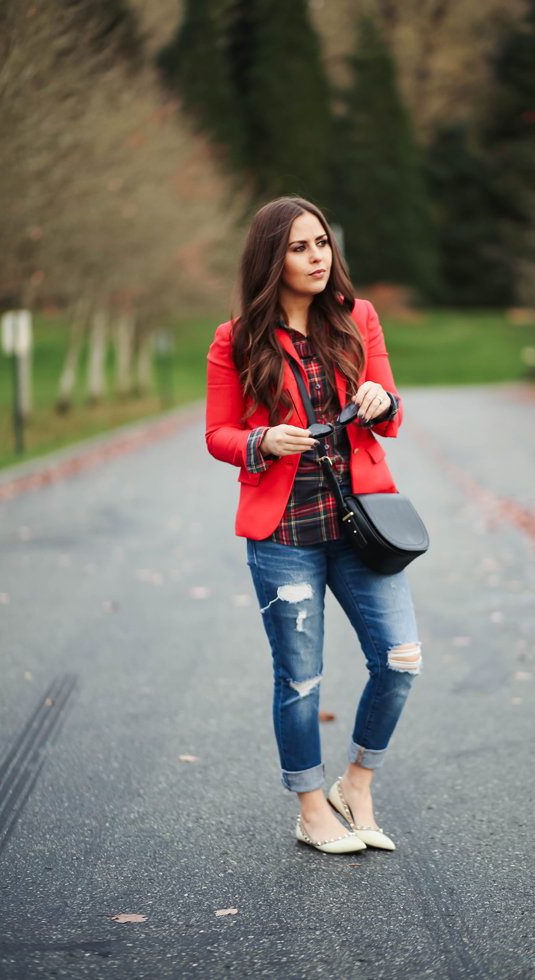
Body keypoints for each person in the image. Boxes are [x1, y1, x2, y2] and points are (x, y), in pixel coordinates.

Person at [206, 197, 422, 854]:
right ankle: (310, 807)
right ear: (273, 257)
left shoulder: (359, 319)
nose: (317, 256)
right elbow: (218, 433)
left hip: (360, 526)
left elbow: (388, 413)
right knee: (299, 678)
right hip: (283, 535)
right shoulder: (236, 338)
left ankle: (356, 783)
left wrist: (383, 400)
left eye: (321, 242)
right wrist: (262, 440)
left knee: (400, 660)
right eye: (300, 247)